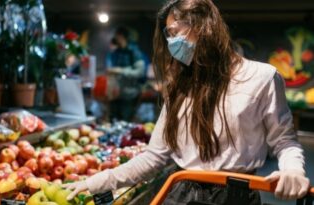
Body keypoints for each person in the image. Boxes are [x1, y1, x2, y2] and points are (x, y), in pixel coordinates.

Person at [64, 0, 310, 204]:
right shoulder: (180, 86)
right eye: (168, 35)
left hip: (236, 196)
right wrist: (94, 183)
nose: (171, 43)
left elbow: (285, 141)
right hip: (181, 193)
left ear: (203, 27)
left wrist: (293, 170)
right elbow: (153, 158)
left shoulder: (262, 78)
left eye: (174, 33)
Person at [106, 26, 145, 121]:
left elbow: (140, 72)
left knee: (125, 123)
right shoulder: (116, 52)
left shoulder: (134, 52)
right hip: (116, 94)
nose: (115, 39)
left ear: (121, 37)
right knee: (113, 122)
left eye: (117, 37)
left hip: (129, 95)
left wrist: (120, 70)